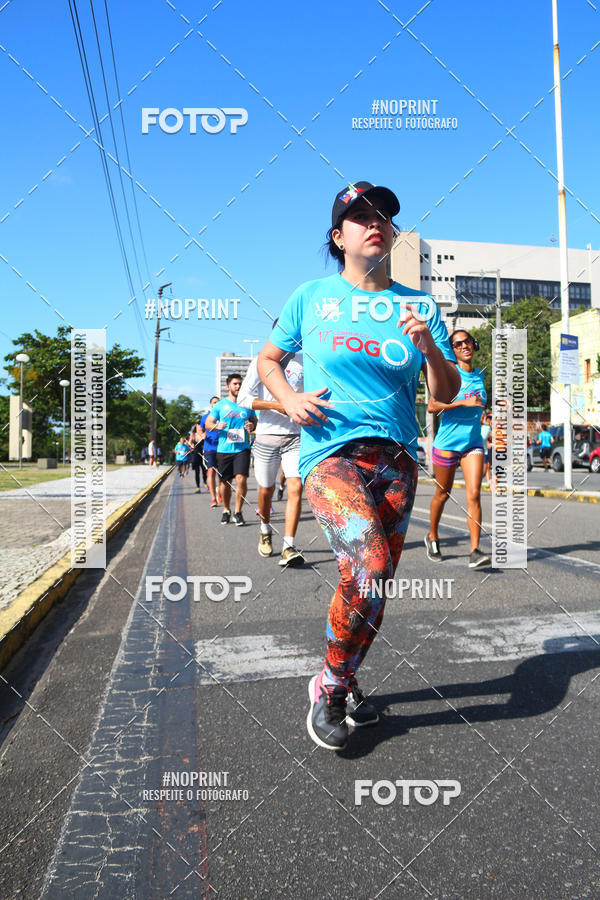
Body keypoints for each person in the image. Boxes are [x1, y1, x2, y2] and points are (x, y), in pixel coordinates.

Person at [257, 180, 459, 750]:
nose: (376, 223)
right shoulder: (311, 298)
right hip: (331, 451)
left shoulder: (418, 306)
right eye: (361, 216)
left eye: (384, 217)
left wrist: (431, 351)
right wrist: (290, 399)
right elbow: (269, 359)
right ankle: (332, 687)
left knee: (376, 583)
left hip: (396, 456)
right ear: (338, 235)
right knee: (368, 564)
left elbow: (443, 392)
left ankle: (337, 677)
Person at [238, 329, 305, 567]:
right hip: (266, 437)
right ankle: (265, 529)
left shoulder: (305, 361)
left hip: (296, 436)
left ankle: (289, 546)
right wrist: (276, 405)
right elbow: (243, 399)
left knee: (295, 486)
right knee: (265, 490)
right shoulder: (261, 360)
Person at [425, 329, 491, 569]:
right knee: (443, 493)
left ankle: (475, 550)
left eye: (467, 342)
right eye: (457, 343)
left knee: (474, 494)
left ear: (474, 345)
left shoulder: (480, 376)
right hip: (447, 444)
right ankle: (432, 535)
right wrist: (463, 402)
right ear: (451, 350)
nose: (464, 346)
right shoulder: (449, 376)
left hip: (473, 443)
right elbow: (432, 406)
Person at [205, 375, 257, 525]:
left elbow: (254, 420)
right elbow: (208, 423)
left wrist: (252, 426)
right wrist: (216, 426)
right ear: (228, 386)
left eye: (240, 384)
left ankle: (238, 512)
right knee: (225, 483)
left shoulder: (246, 404)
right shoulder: (220, 405)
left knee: (241, 479)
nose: (238, 386)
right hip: (224, 449)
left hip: (242, 448)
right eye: (235, 384)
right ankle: (226, 509)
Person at [199, 397, 221, 507]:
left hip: (223, 448)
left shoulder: (223, 416)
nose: (217, 404)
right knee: (211, 471)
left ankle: (220, 492)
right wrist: (202, 435)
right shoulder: (205, 417)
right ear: (210, 404)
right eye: (215, 402)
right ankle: (213, 498)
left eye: (218, 402)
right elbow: (200, 429)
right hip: (209, 448)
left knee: (222, 474)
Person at [189, 422, 207, 493]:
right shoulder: (193, 434)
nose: (199, 427)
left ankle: (205, 483)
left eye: (201, 425)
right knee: (197, 472)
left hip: (203, 454)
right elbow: (189, 442)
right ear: (196, 426)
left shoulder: (204, 433)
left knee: (204, 470)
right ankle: (198, 487)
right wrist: (191, 445)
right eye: (198, 425)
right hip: (195, 455)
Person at [480, 413, 492, 486]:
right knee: (484, 469)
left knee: (486, 468)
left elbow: (484, 438)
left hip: (486, 451)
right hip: (479, 451)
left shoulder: (487, 427)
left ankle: (488, 481)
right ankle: (474, 482)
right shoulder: (482, 427)